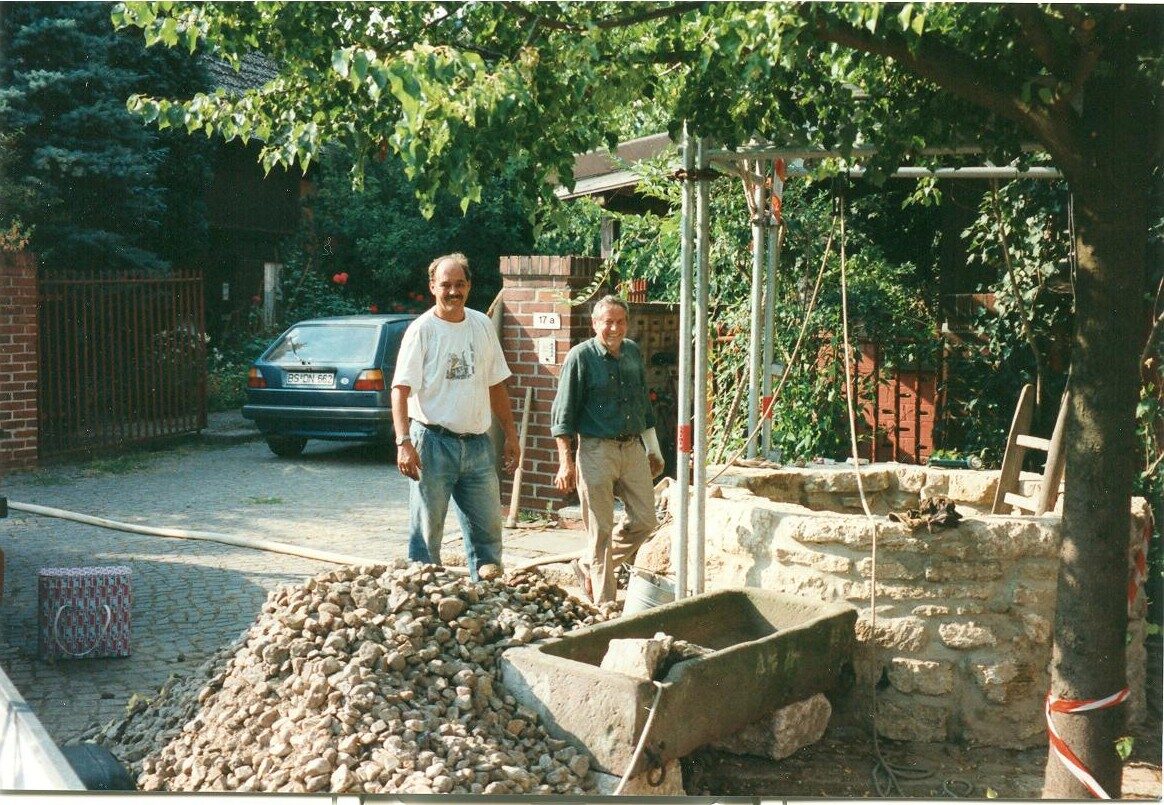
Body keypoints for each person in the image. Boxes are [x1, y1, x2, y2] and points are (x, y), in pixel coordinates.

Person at [391, 253, 519, 581]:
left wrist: (511, 436)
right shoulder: (421, 331)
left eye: (459, 284)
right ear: (432, 287)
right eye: (445, 285)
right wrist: (403, 442)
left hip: (477, 447)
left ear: (469, 286)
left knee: (489, 536)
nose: (453, 291)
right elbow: (399, 390)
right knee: (426, 537)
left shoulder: (482, 325)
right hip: (431, 444)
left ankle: (489, 604)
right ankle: (426, 608)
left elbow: (496, 385)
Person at [551, 295, 664, 603]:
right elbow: (563, 417)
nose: (614, 328)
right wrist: (566, 464)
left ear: (627, 323)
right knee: (600, 530)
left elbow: (643, 405)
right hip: (595, 450)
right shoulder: (580, 357)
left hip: (631, 448)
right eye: (607, 322)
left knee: (645, 520)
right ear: (595, 323)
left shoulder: (632, 353)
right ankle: (606, 604)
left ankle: (589, 564)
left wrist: (653, 448)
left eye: (620, 322)